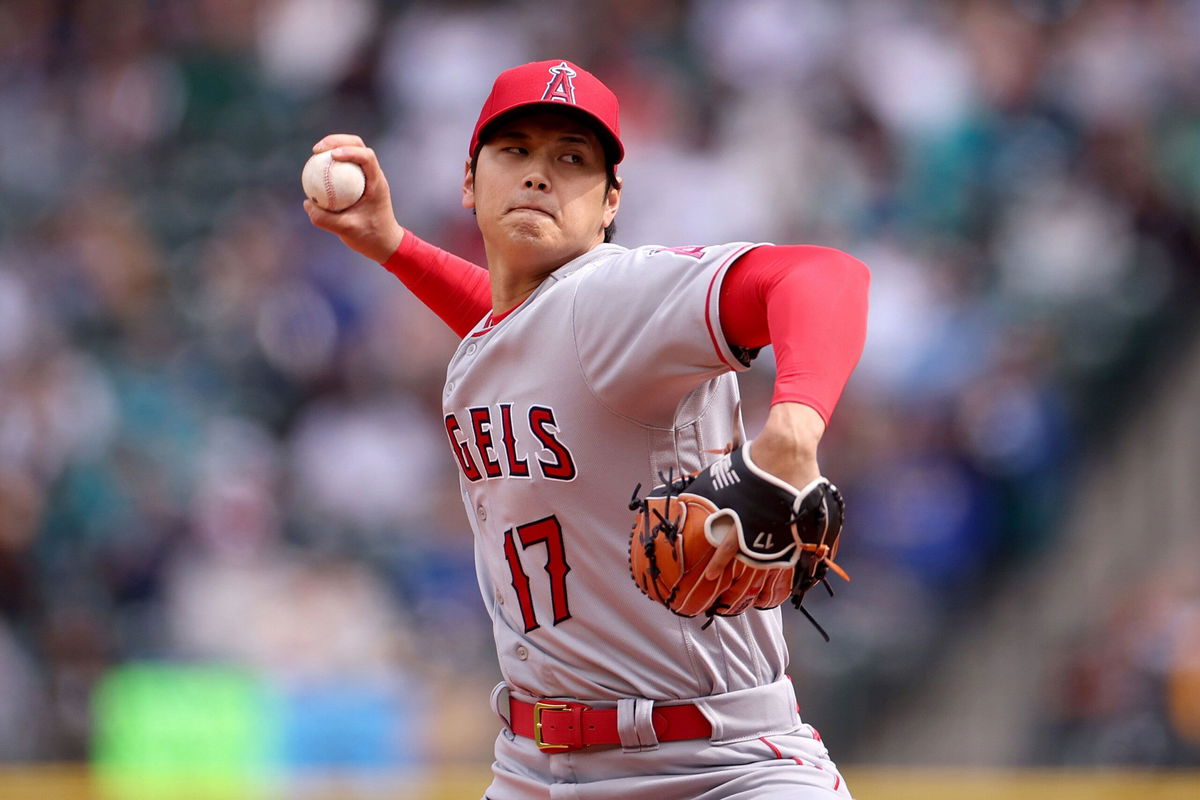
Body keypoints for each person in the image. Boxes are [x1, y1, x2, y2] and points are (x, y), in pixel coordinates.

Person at [305, 59, 869, 799]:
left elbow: (822, 277)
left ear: (610, 203)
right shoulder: (520, 332)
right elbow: (519, 329)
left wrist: (792, 430)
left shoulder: (615, 292)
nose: (540, 175)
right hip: (536, 771)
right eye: (517, 151)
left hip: (720, 768)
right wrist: (395, 246)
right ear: (469, 181)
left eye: (572, 159)